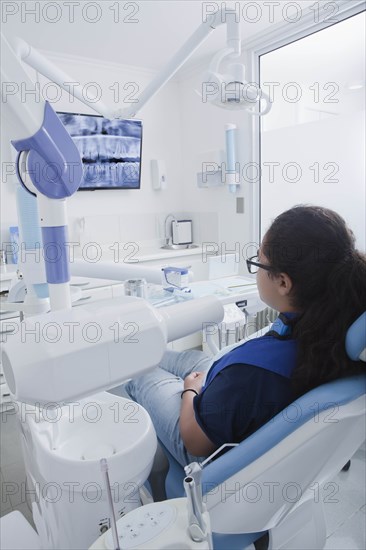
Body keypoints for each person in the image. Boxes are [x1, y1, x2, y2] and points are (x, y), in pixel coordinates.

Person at [125, 205, 366, 467]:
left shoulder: (254, 373)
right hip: (232, 395)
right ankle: (147, 354)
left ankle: (136, 363)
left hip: (198, 435)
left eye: (258, 262)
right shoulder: (335, 324)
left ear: (284, 282)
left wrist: (190, 392)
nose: (257, 270)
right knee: (191, 358)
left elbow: (195, 440)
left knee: (140, 370)